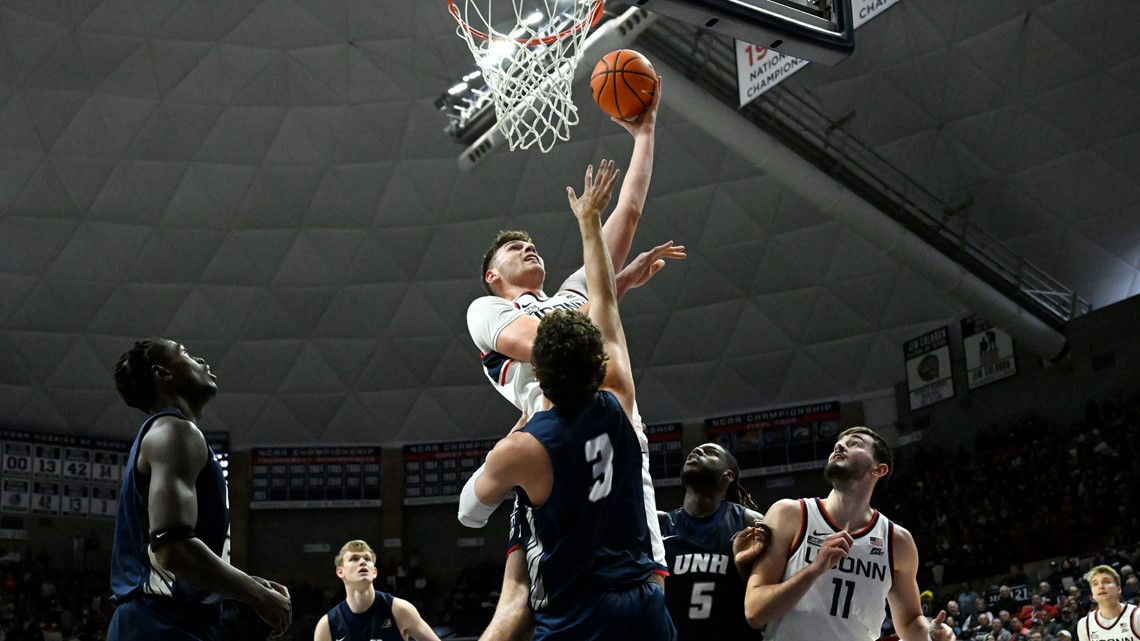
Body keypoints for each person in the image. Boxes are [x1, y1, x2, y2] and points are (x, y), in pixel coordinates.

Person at [466, 82, 682, 641]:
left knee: (643, 582)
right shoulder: (486, 310)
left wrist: (645, 134)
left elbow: (627, 215)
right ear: (494, 275)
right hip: (551, 449)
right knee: (521, 597)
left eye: (532, 243)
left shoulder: (568, 296)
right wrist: (613, 290)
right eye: (514, 250)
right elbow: (551, 346)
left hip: (611, 430)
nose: (528, 247)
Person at [108, 339, 291, 640]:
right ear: (162, 373)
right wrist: (257, 594)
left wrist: (243, 584)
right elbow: (173, 548)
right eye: (185, 354)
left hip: (161, 622)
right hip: (159, 624)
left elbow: (169, 562)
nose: (201, 359)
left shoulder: (163, 433)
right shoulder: (174, 431)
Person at [732, 426, 956, 641]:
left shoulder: (897, 541)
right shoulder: (790, 514)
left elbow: (909, 622)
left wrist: (930, 633)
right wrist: (814, 569)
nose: (839, 446)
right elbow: (755, 611)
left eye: (855, 443)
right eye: (838, 444)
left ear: (879, 469)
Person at [657, 442, 765, 640]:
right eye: (695, 450)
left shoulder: (748, 522)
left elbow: (765, 594)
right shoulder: (659, 524)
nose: (696, 451)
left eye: (710, 452)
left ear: (728, 476)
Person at [314, 540, 439, 641]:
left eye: (367, 559)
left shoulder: (400, 610)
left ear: (374, 572)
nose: (362, 562)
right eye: (354, 559)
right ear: (340, 572)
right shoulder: (327, 626)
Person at [1076, 565, 1139, 641]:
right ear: (1092, 594)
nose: (1101, 586)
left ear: (1118, 589)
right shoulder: (1084, 624)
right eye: (1095, 584)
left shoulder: (1137, 616)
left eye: (1106, 582)